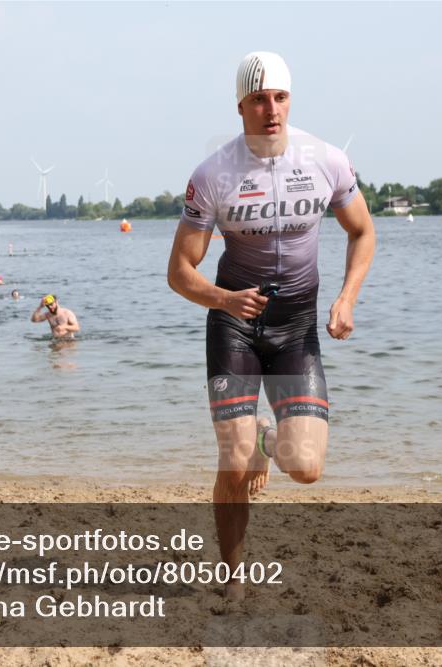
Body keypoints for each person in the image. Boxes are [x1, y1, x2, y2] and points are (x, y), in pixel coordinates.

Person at [166, 51, 375, 600]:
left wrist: (347, 298)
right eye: (259, 99)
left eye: (279, 97)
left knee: (305, 467)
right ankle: (232, 578)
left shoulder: (327, 160)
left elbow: (363, 233)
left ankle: (266, 434)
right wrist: (223, 298)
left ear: (290, 102)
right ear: (241, 106)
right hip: (235, 323)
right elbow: (179, 272)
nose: (271, 109)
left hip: (296, 326)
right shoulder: (213, 175)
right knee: (234, 460)